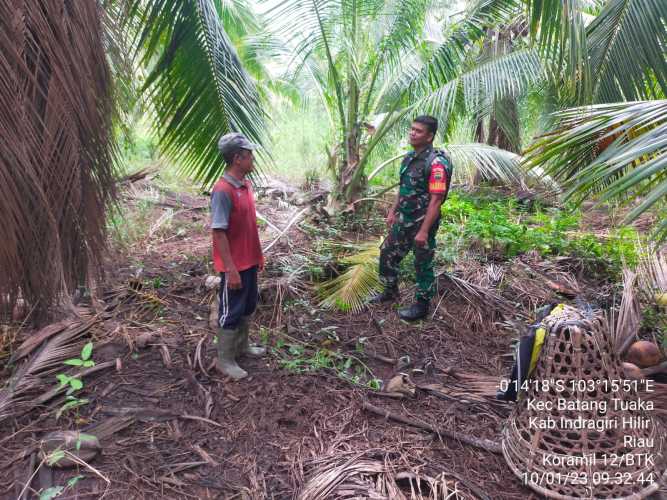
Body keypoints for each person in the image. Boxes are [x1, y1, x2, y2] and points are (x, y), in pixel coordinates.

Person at [370, 116, 453, 321]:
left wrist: (424, 231)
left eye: (418, 131)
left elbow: (436, 200)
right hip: (404, 219)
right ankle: (390, 291)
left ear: (430, 136)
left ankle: (422, 305)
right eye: (412, 129)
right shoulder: (409, 158)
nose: (412, 133)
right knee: (388, 252)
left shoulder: (436, 164)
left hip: (423, 221)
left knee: (422, 263)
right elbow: (403, 188)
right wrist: (392, 211)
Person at [210, 132, 266, 379]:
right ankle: (225, 359)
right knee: (230, 310)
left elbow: (248, 227)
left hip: (249, 261)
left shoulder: (245, 185)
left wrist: (257, 256)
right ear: (237, 159)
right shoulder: (223, 190)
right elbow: (219, 233)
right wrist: (230, 268)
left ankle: (242, 346)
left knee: (248, 305)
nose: (252, 158)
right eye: (249, 155)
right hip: (235, 265)